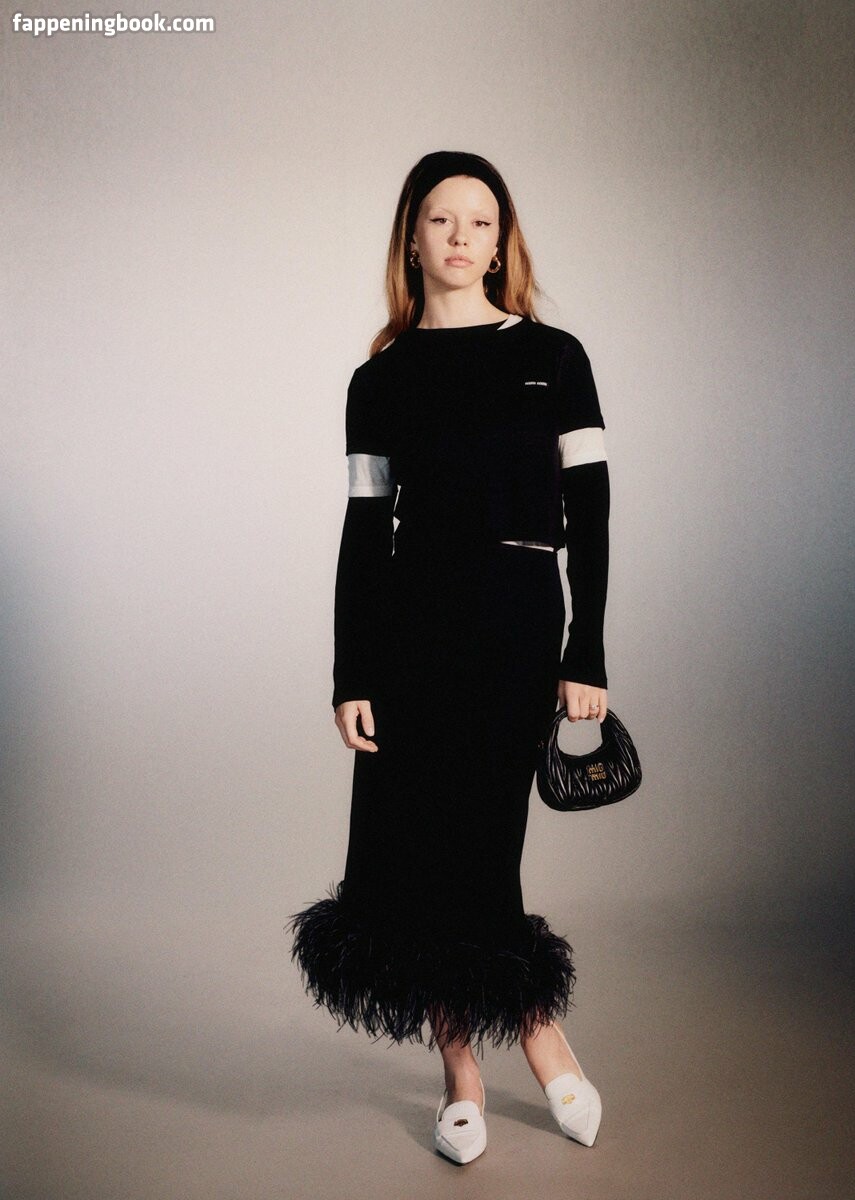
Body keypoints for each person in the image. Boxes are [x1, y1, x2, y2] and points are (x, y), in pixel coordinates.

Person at [290, 151, 611, 1163]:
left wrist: (586, 647)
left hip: (516, 622)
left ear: (501, 242)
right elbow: (362, 533)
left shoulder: (554, 356)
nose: (462, 237)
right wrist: (351, 674)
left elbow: (592, 513)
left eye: (481, 221)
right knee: (417, 847)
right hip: (410, 631)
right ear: (413, 238)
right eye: (442, 219)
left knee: (482, 842)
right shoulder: (379, 380)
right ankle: (462, 1074)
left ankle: (542, 1040)